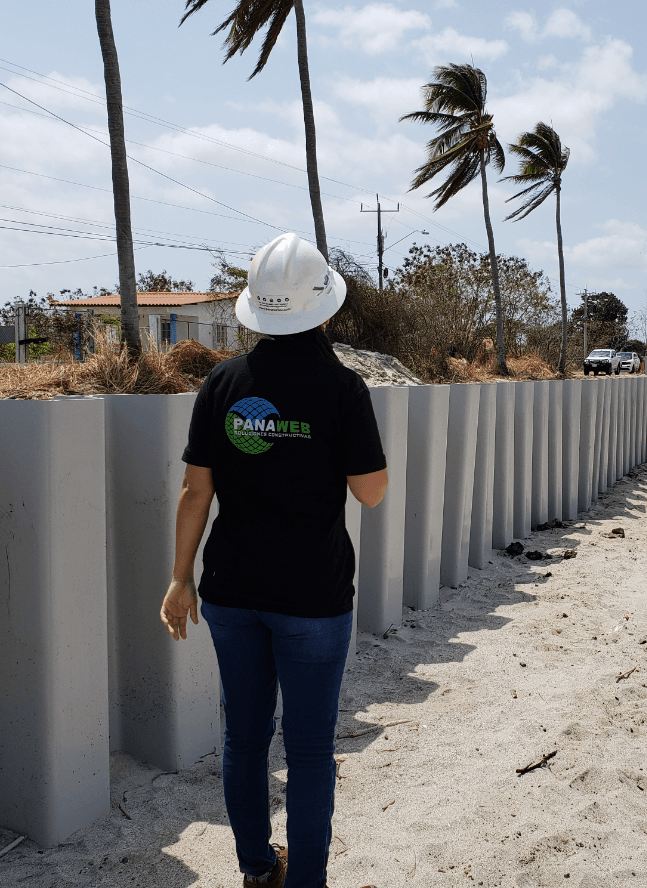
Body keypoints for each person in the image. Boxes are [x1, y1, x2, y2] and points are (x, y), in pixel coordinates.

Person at [160, 233, 389, 888]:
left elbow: (194, 491)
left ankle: (258, 870)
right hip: (313, 598)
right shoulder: (343, 389)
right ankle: (306, 882)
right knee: (312, 753)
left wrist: (180, 578)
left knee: (244, 740)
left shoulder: (223, 383)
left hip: (231, 590)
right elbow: (370, 492)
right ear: (322, 309)